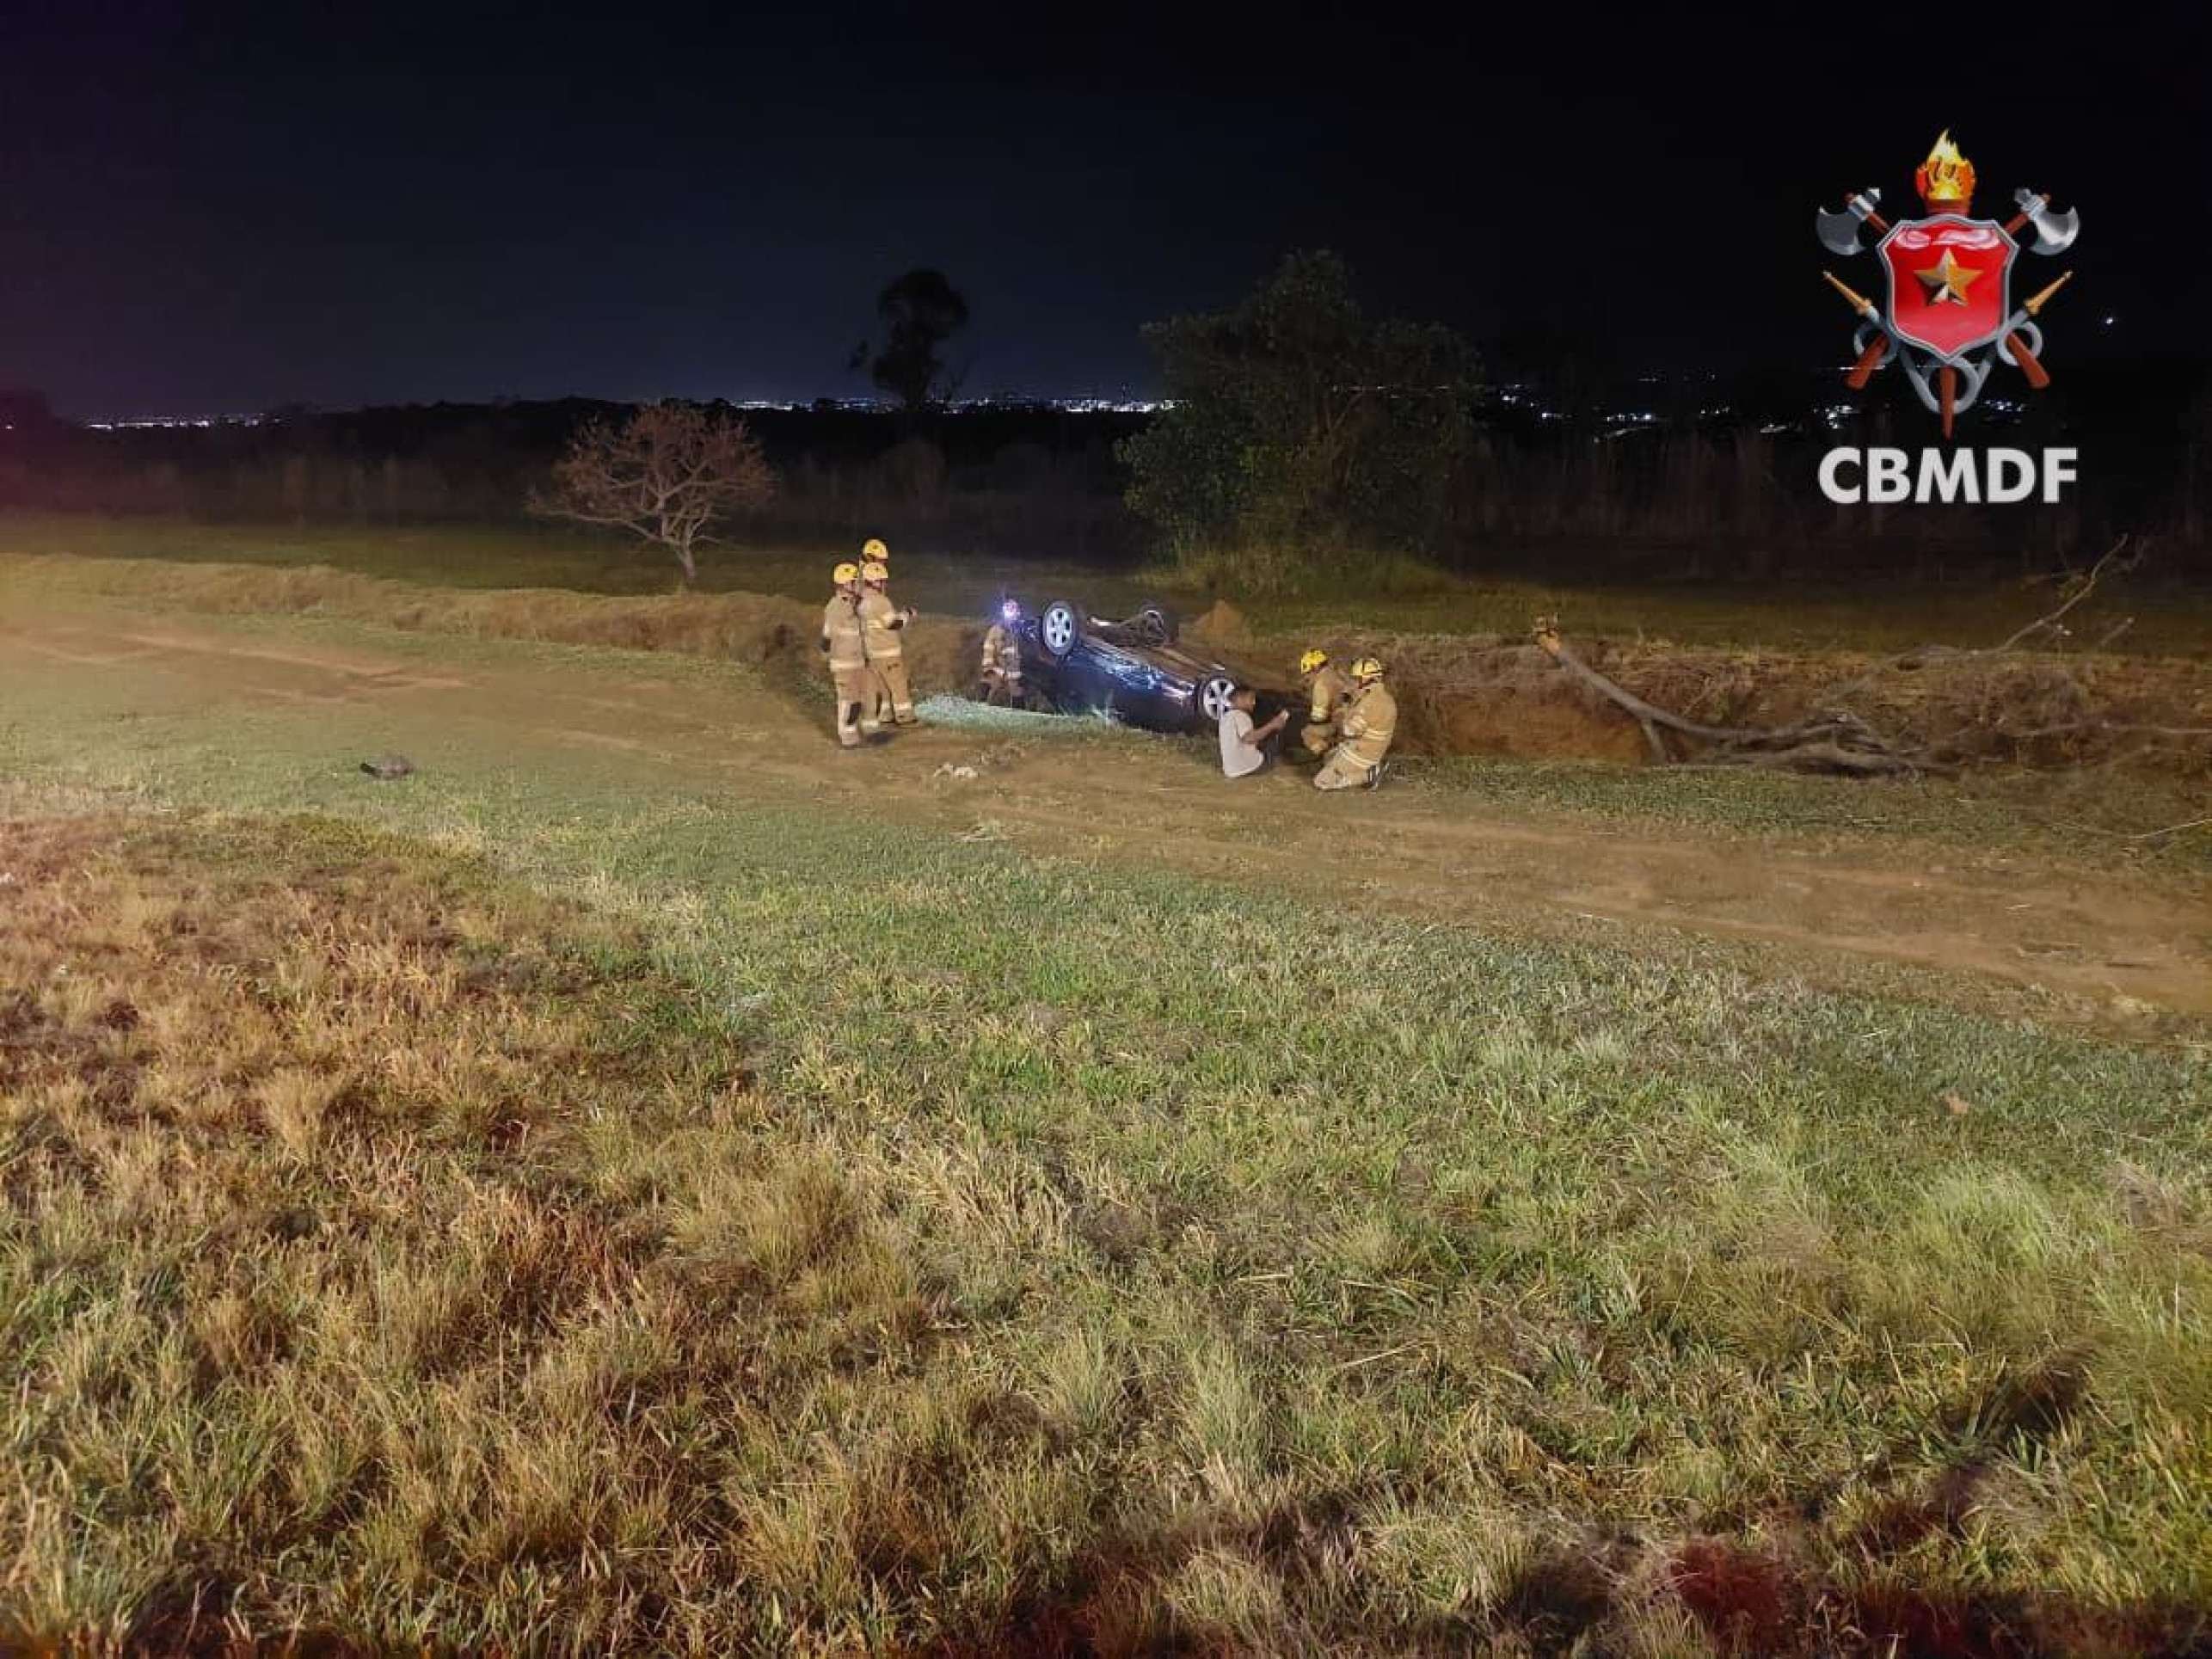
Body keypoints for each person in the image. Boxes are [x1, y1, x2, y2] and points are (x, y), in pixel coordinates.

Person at [1314, 657, 1395, 790]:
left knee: (1321, 781)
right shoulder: (1385, 698)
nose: (1355, 682)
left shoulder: (1369, 702)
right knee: (1327, 759)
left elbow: (1350, 731)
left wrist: (1342, 713)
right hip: (1372, 750)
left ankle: (1368, 775)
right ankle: (1370, 767)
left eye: (1358, 678)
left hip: (1360, 753)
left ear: (1367, 679)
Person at [818, 562, 875, 748]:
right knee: (848, 701)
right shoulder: (835, 607)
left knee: (857, 701)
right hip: (844, 664)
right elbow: (827, 635)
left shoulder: (850, 604)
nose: (856, 586)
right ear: (843, 585)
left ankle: (851, 733)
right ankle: (847, 736)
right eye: (853, 582)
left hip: (856, 662)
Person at [857, 559, 919, 728]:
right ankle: (905, 716)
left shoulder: (861, 600)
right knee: (898, 684)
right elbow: (893, 624)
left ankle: (886, 714)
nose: (884, 584)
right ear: (877, 581)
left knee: (883, 686)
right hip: (887, 651)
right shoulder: (880, 601)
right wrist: (907, 614)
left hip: (872, 652)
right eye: (882, 581)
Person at [1217, 685, 1289, 779]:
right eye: (1251, 699)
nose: (1254, 703)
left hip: (1231, 770)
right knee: (1272, 735)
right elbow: (1249, 738)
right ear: (1239, 699)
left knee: (1264, 733)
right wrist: (1273, 725)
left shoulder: (1226, 717)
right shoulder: (1240, 715)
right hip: (1249, 768)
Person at [1296, 648, 1355, 760]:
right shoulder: (1336, 673)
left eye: (1308, 673)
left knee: (1307, 733)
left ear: (1315, 667)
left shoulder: (1320, 685)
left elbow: (1319, 718)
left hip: (1343, 726)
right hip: (1356, 720)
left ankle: (1329, 754)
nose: (1307, 677)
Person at [979, 599, 1027, 706]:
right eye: (1008, 610)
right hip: (997, 670)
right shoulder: (995, 631)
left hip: (1016, 674)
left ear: (1018, 613)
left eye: (1013, 611)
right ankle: (981, 706)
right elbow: (988, 651)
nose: (1011, 614)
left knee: (1017, 693)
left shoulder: (1023, 632)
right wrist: (991, 668)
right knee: (991, 685)